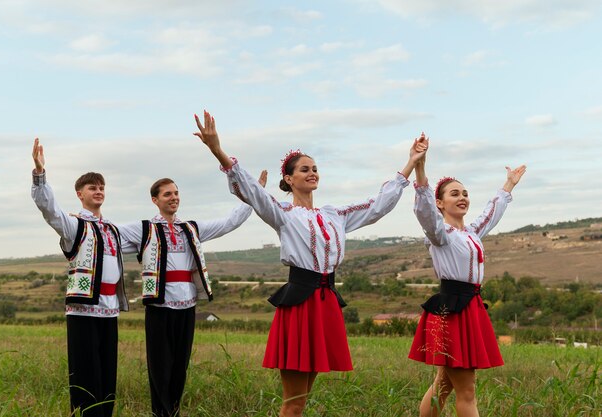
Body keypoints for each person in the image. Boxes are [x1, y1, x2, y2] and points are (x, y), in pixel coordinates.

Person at [193, 110, 428, 417]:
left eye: (315, 168)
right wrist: (217, 150)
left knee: (303, 400)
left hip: (325, 302)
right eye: (305, 169)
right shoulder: (283, 213)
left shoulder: (334, 214)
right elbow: (251, 191)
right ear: (289, 179)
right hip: (299, 303)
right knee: (293, 402)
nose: (312, 173)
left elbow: (378, 206)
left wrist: (410, 162)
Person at [118, 173, 265, 417]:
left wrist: (253, 194)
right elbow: (109, 234)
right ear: (155, 200)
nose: (173, 197)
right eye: (167, 194)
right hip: (159, 306)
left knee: (180, 365)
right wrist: (80, 223)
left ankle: (173, 411)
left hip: (187, 306)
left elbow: (230, 222)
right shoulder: (145, 229)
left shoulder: (191, 229)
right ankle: (161, 413)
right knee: (159, 365)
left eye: (176, 193)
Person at [407, 138, 526, 417]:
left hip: (469, 307)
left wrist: (508, 185)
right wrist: (420, 169)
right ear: (440, 202)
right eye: (454, 194)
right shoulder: (440, 235)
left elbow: (491, 213)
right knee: (466, 390)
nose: (462, 197)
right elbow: (424, 212)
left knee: (443, 386)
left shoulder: (470, 232)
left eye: (465, 193)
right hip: (451, 308)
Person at [30, 138, 128, 417]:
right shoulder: (75, 225)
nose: (98, 191)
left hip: (109, 311)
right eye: (91, 187)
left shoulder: (112, 229)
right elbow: (50, 211)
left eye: (101, 187)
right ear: (79, 193)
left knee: (108, 375)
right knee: (85, 375)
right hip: (84, 309)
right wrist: (40, 176)